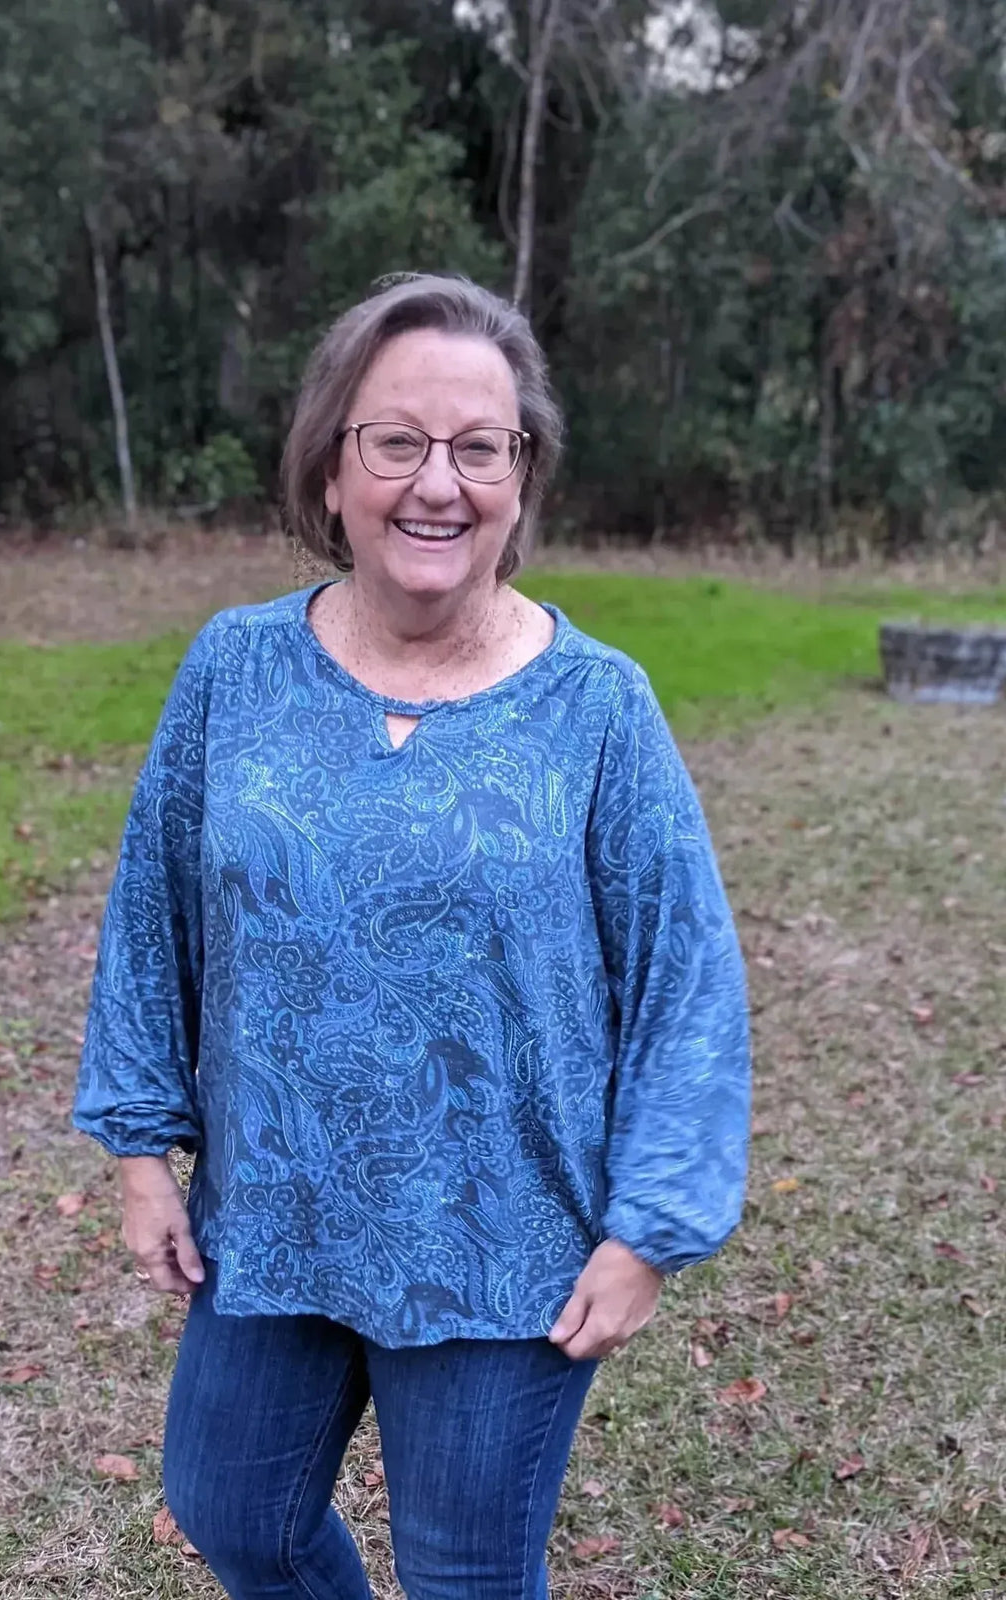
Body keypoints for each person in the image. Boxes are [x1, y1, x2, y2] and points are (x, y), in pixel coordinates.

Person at [72, 273, 750, 1599]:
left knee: (465, 1575)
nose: (437, 484)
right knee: (234, 1511)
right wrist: (143, 1153)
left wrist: (649, 1232)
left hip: (503, 1246)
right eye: (396, 443)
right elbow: (152, 911)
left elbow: (687, 982)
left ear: (521, 479)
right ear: (331, 471)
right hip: (272, 1216)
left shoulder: (600, 710)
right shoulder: (234, 670)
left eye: (479, 448)